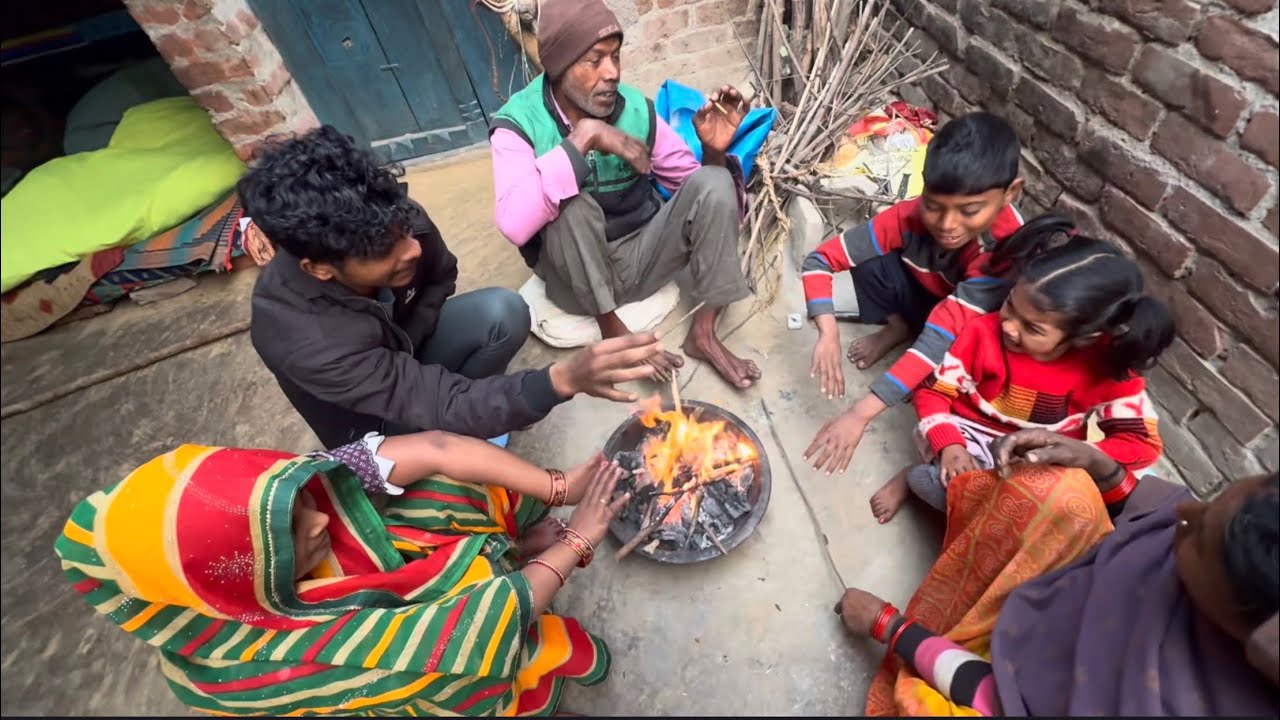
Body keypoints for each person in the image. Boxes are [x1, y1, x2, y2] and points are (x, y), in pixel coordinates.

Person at [55, 430, 634, 716]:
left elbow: (434, 448)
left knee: (446, 486)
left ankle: (509, 556)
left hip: (379, 583)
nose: (315, 523)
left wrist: (559, 488)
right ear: (235, 583)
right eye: (286, 538)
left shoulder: (273, 496)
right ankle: (525, 668)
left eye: (298, 502)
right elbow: (455, 637)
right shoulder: (251, 662)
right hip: (395, 674)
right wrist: (578, 540)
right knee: (453, 673)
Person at [242, 126, 665, 449]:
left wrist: (416, 347)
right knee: (443, 437)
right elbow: (422, 395)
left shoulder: (387, 216)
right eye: (383, 249)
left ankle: (478, 411)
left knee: (504, 312)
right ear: (319, 269)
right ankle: (457, 434)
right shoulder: (298, 334)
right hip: (373, 421)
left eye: (404, 229)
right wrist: (560, 380)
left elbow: (442, 276)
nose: (411, 249)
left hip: (405, 352)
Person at [835, 429, 1279, 716]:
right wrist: (1097, 464)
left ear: (1258, 642)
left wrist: (890, 625)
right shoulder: (1212, 560)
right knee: (1059, 489)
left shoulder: (1155, 698)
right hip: (1053, 613)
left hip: (1007, 691)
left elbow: (999, 700)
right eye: (1211, 499)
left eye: (1198, 535)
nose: (1184, 510)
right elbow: (1155, 518)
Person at [489, 0, 761, 389]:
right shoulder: (518, 124)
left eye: (615, 57)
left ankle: (703, 333)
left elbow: (703, 200)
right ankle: (614, 331)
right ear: (558, 66)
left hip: (643, 260)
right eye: (595, 60)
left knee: (715, 181)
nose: (612, 73)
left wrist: (714, 151)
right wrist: (584, 138)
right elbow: (514, 225)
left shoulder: (636, 109)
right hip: (575, 283)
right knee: (569, 204)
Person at [870, 216, 1174, 523]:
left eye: (1033, 328)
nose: (1009, 327)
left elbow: (1141, 445)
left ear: (1086, 336)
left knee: (1073, 513)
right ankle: (913, 478)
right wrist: (951, 447)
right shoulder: (981, 334)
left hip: (1039, 458)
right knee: (957, 492)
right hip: (971, 437)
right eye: (1010, 305)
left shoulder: (1110, 367)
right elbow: (933, 393)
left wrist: (1077, 452)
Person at [803, 112, 1026, 475]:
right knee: (869, 256)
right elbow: (819, 260)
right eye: (934, 206)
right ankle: (898, 328)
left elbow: (938, 338)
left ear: (1010, 193)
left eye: (969, 211)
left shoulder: (1002, 252)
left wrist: (859, 414)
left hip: (968, 322)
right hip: (933, 292)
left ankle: (925, 365)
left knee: (945, 357)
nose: (947, 225)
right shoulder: (910, 215)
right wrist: (827, 331)